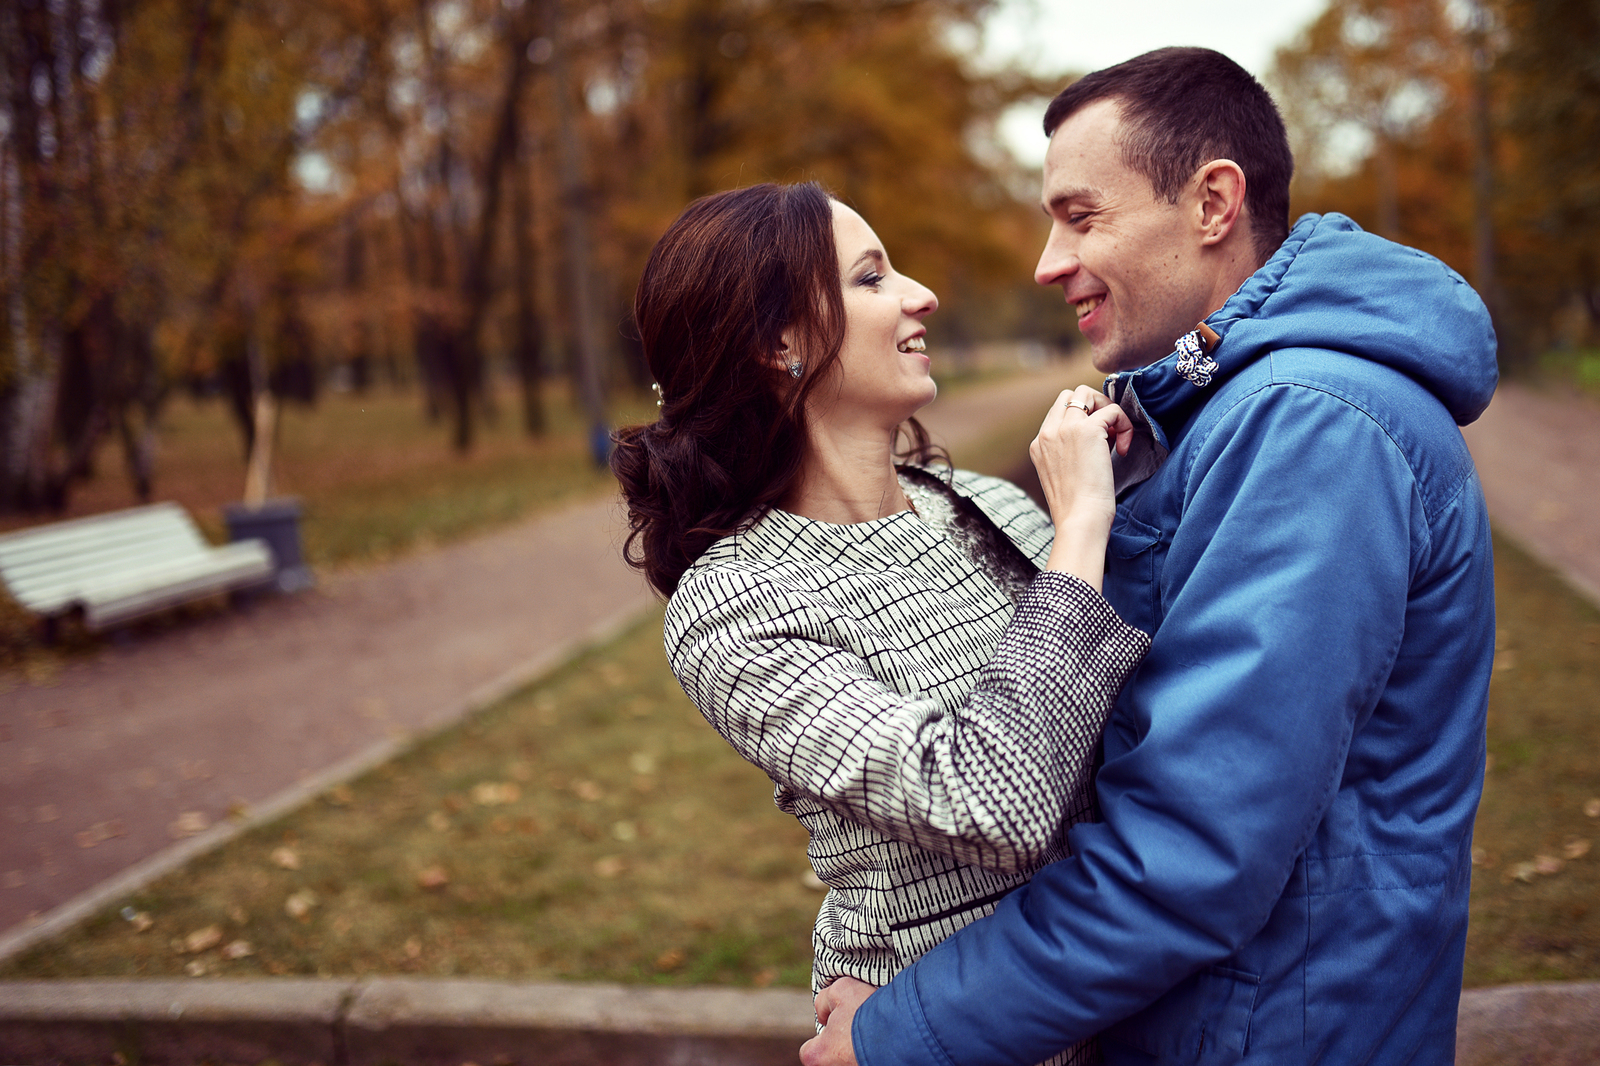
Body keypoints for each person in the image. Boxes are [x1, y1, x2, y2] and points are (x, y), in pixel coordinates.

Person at [803, 47, 1499, 1066]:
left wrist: (907, 1029)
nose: (1046, 261)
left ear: (1214, 201)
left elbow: (1192, 848)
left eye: (1081, 217)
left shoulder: (1310, 425)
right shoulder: (1217, 411)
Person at [610, 182, 1150, 1066]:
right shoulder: (734, 604)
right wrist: (1082, 527)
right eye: (871, 278)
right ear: (777, 343)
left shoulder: (982, 504)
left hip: (1113, 1002)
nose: (920, 293)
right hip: (924, 1027)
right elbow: (994, 801)